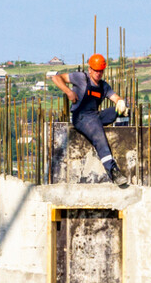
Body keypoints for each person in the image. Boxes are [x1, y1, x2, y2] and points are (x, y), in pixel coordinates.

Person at [51, 53, 129, 187]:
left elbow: (115, 97)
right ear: (90, 69)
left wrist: (120, 102)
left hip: (95, 116)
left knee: (124, 109)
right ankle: (112, 171)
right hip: (81, 117)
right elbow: (56, 77)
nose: (98, 73)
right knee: (98, 134)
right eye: (96, 70)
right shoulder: (80, 78)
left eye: (101, 71)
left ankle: (123, 141)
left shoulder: (104, 86)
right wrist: (69, 92)